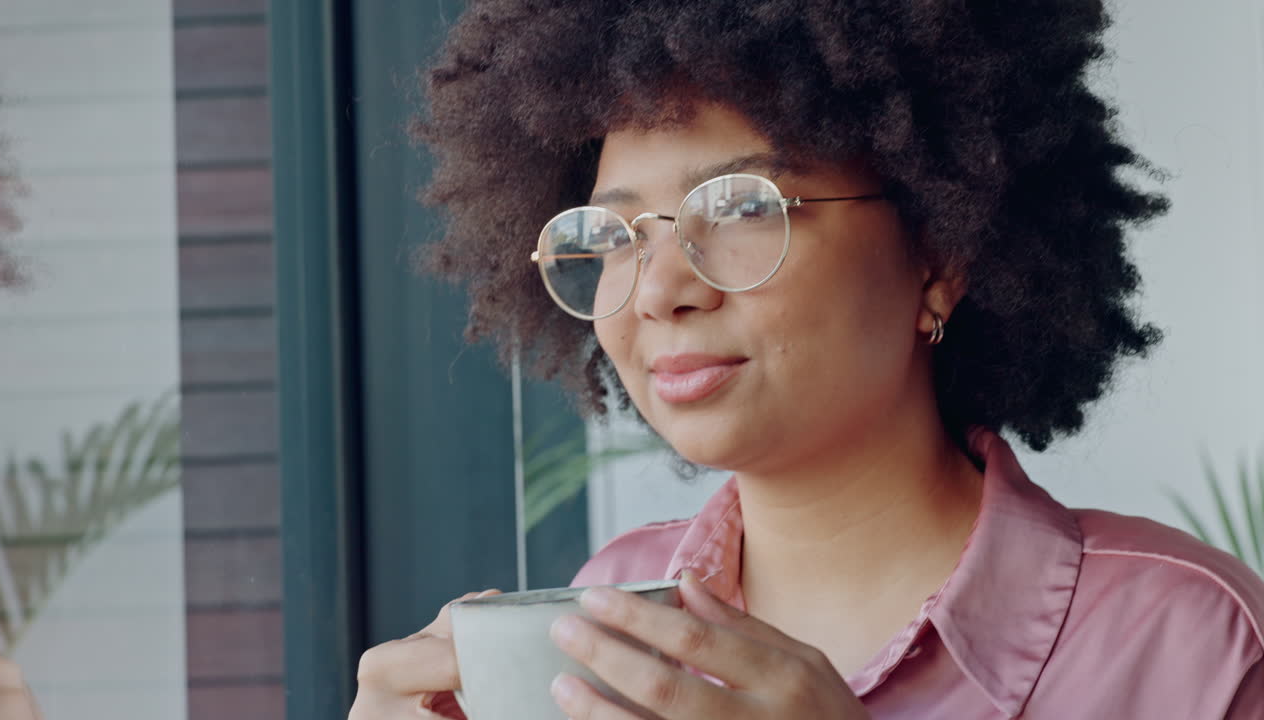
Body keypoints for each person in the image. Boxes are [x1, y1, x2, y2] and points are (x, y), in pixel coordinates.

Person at [349, 1, 1264, 718]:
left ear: (938, 253)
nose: (662, 288)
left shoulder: (1193, 642)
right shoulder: (606, 607)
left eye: (744, 208)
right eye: (614, 234)